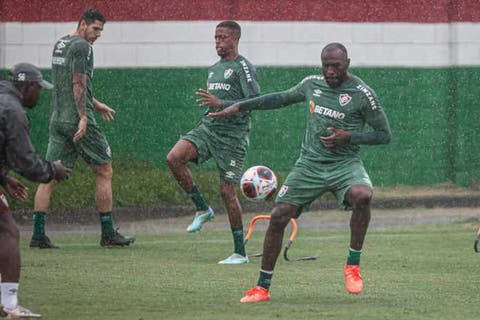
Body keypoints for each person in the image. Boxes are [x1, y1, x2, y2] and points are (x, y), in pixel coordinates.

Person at [208, 43, 392, 302]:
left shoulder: (363, 94)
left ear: (347, 63)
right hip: (309, 165)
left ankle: (353, 265)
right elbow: (280, 98)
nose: (329, 71)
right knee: (279, 215)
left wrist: (348, 137)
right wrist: (238, 105)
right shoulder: (311, 84)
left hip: (345, 165)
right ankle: (262, 287)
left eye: (335, 66)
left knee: (363, 195)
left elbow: (384, 135)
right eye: (325, 65)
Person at [30, 8, 135, 248]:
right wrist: (84, 116)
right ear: (83, 24)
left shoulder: (61, 43)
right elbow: (78, 83)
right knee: (104, 171)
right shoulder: (82, 47)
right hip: (76, 119)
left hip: (57, 118)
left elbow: (66, 82)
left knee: (50, 175)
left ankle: (37, 235)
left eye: (101, 30)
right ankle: (108, 233)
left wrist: (95, 104)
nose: (98, 34)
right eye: (96, 28)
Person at [166, 21, 260, 264]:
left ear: (235, 39)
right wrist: (214, 108)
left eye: (223, 37)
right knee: (174, 158)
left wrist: (222, 104)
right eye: (216, 37)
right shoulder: (213, 69)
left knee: (227, 191)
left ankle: (240, 252)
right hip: (208, 129)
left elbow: (255, 101)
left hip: (232, 138)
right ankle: (202, 208)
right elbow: (214, 104)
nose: (218, 42)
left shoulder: (243, 67)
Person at [0, 63, 70, 317]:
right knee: (7, 232)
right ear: (27, 87)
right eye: (38, 89)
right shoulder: (13, 111)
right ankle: (10, 305)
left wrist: (3, 178)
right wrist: (53, 171)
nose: (40, 94)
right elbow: (26, 161)